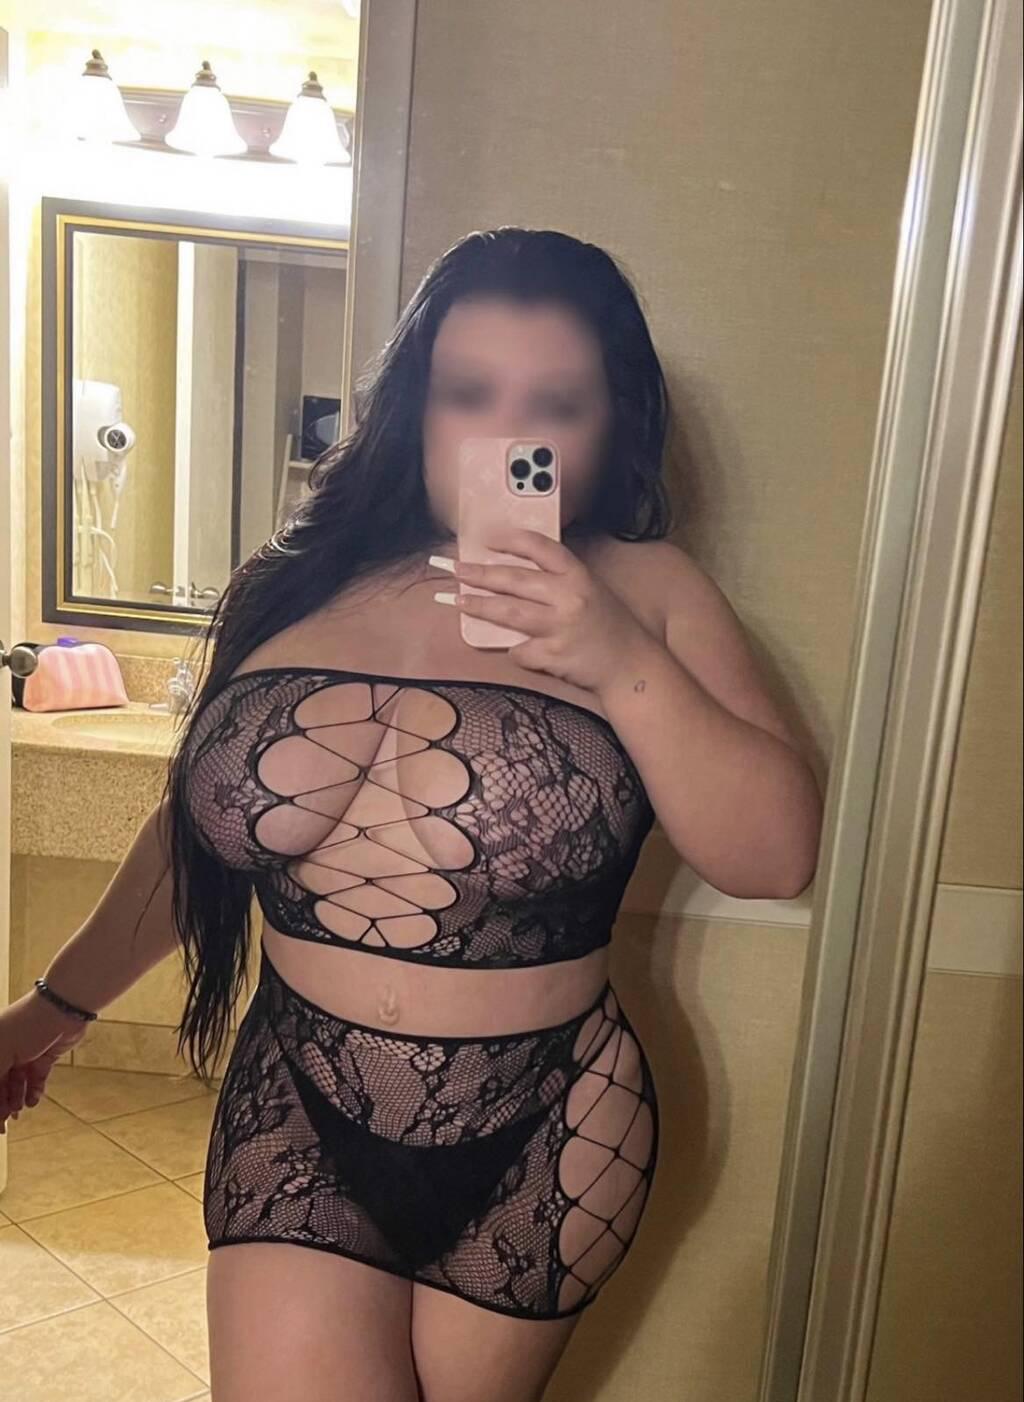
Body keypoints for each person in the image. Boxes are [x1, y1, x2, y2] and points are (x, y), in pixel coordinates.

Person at [0, 228, 822, 1402]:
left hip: (553, 1120)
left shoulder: (649, 592)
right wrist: (51, 1010)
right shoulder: (296, 581)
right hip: (299, 1095)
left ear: (614, 421)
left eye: (556, 404)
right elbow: (195, 843)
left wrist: (613, 656)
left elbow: (773, 854)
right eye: (468, 392)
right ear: (413, 405)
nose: (506, 435)